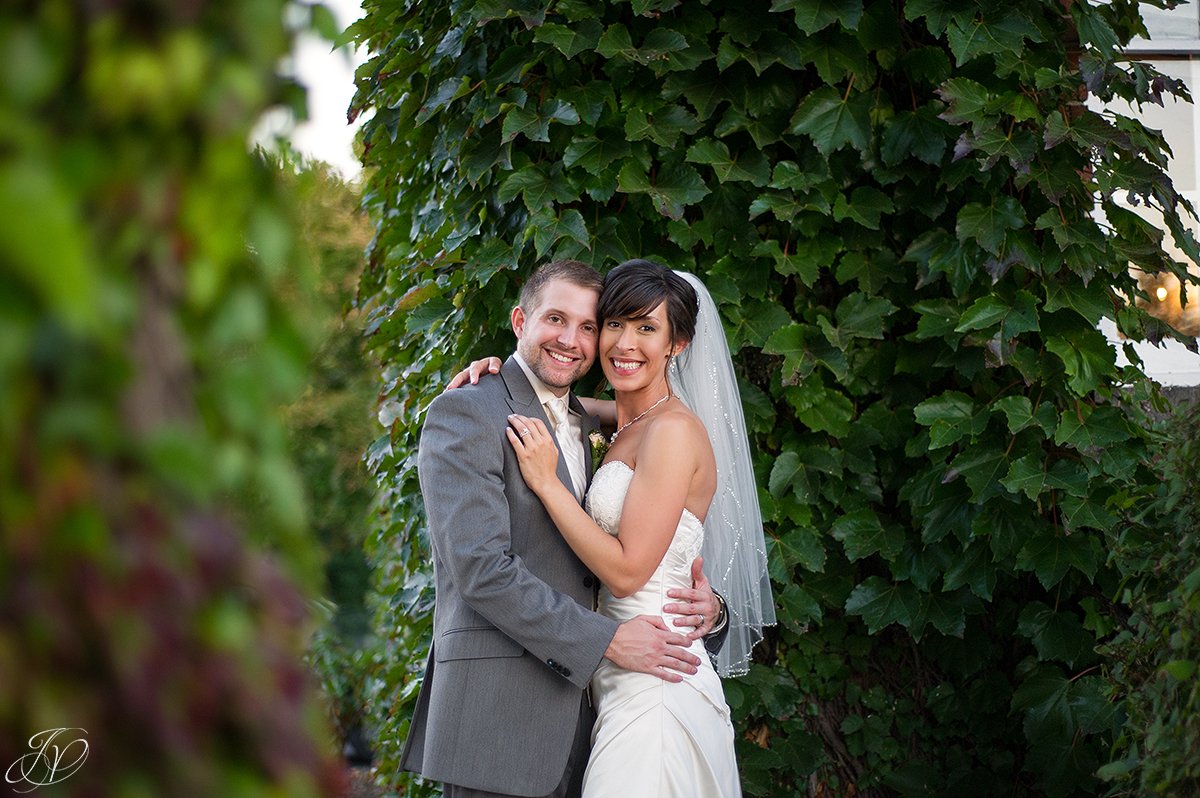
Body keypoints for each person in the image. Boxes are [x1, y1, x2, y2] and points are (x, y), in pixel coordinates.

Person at [402, 259, 726, 798]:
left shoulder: (604, 424)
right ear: (519, 321)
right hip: (503, 726)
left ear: (677, 344)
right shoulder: (471, 412)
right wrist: (607, 642)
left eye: (589, 325)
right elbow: (480, 570)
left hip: (600, 712)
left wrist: (712, 608)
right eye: (555, 319)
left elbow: (633, 553)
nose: (572, 340)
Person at [504, 260, 775, 797]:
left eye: (647, 328)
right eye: (615, 324)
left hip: (656, 685)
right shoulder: (628, 422)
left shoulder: (672, 432)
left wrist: (548, 483)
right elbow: (556, 401)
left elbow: (628, 573)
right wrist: (500, 370)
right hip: (615, 677)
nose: (625, 343)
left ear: (678, 343)